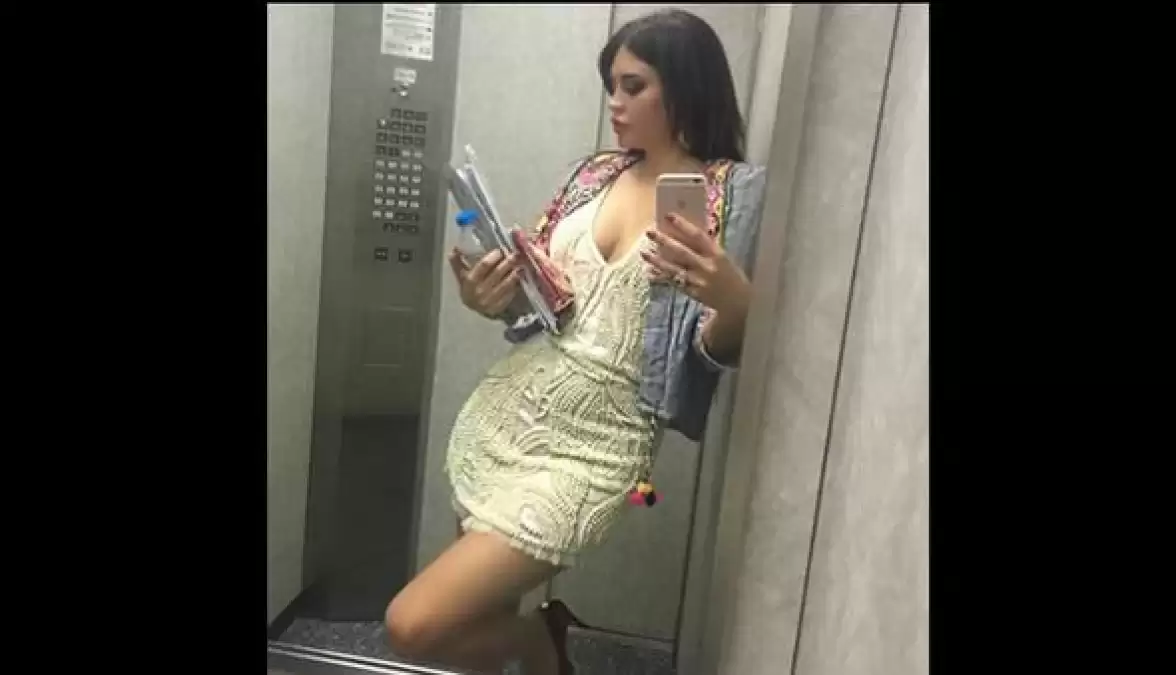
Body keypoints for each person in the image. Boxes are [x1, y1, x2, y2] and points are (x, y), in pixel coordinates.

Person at [385, 9, 767, 675]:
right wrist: (490, 295)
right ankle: (535, 653)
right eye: (610, 86)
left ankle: (540, 641)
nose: (615, 102)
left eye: (633, 86)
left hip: (597, 445)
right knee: (476, 623)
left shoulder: (729, 194)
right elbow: (540, 299)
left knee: (414, 625)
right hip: (511, 414)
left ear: (685, 86)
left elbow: (712, 348)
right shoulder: (593, 175)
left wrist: (737, 302)